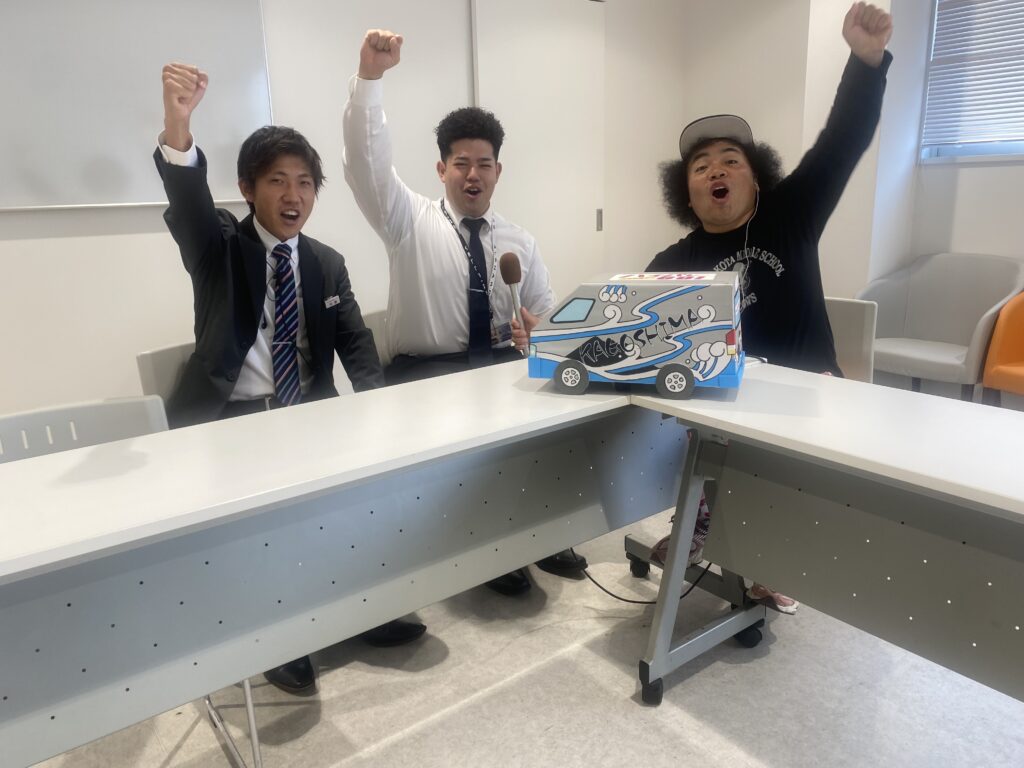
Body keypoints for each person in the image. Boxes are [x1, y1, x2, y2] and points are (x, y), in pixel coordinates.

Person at [154, 62, 425, 695]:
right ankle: (281, 635)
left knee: (354, 504)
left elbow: (358, 346)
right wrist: (178, 127)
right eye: (277, 180)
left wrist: (382, 414)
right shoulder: (219, 247)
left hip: (309, 416)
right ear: (248, 189)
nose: (293, 194)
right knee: (264, 528)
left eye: (304, 182)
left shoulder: (326, 263)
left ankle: (358, 610)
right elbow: (189, 204)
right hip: (230, 424)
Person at [646, 2, 894, 612]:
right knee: (691, 421)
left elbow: (840, 144)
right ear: (687, 194)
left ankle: (772, 553)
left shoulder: (792, 216)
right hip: (727, 402)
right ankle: (704, 520)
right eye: (702, 167)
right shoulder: (677, 258)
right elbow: (630, 315)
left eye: (732, 161)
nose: (717, 171)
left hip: (807, 392)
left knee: (771, 474)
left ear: (757, 178)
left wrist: (865, 65)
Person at [342, 30, 588, 595]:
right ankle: (489, 553)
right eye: (461, 164)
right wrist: (370, 80)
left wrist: (538, 333)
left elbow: (547, 317)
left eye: (484, 164)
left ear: (499, 171)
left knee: (557, 419)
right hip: (428, 374)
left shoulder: (519, 240)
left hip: (500, 364)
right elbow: (365, 163)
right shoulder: (406, 219)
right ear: (441, 169)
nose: (473, 175)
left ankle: (542, 532)